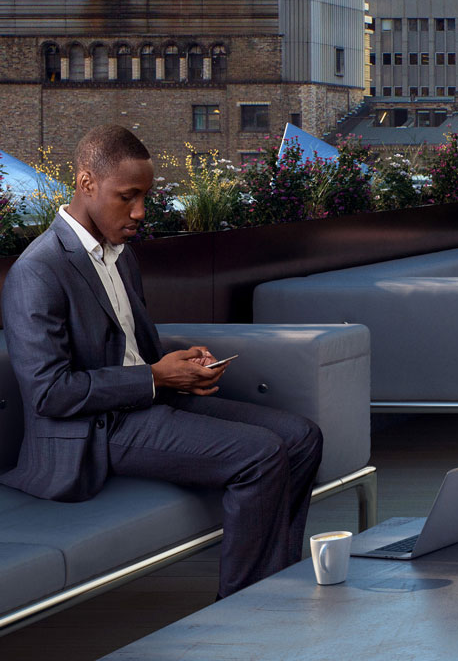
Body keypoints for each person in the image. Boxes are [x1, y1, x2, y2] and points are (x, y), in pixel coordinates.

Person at [1, 124, 323, 597]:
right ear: (87, 183)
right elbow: (49, 394)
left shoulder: (121, 254)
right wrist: (153, 376)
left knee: (301, 438)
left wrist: (179, 366)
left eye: (145, 197)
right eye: (127, 197)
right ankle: (242, 609)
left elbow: (131, 349)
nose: (139, 212)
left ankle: (275, 583)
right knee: (260, 454)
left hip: (146, 402)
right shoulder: (38, 271)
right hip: (93, 430)